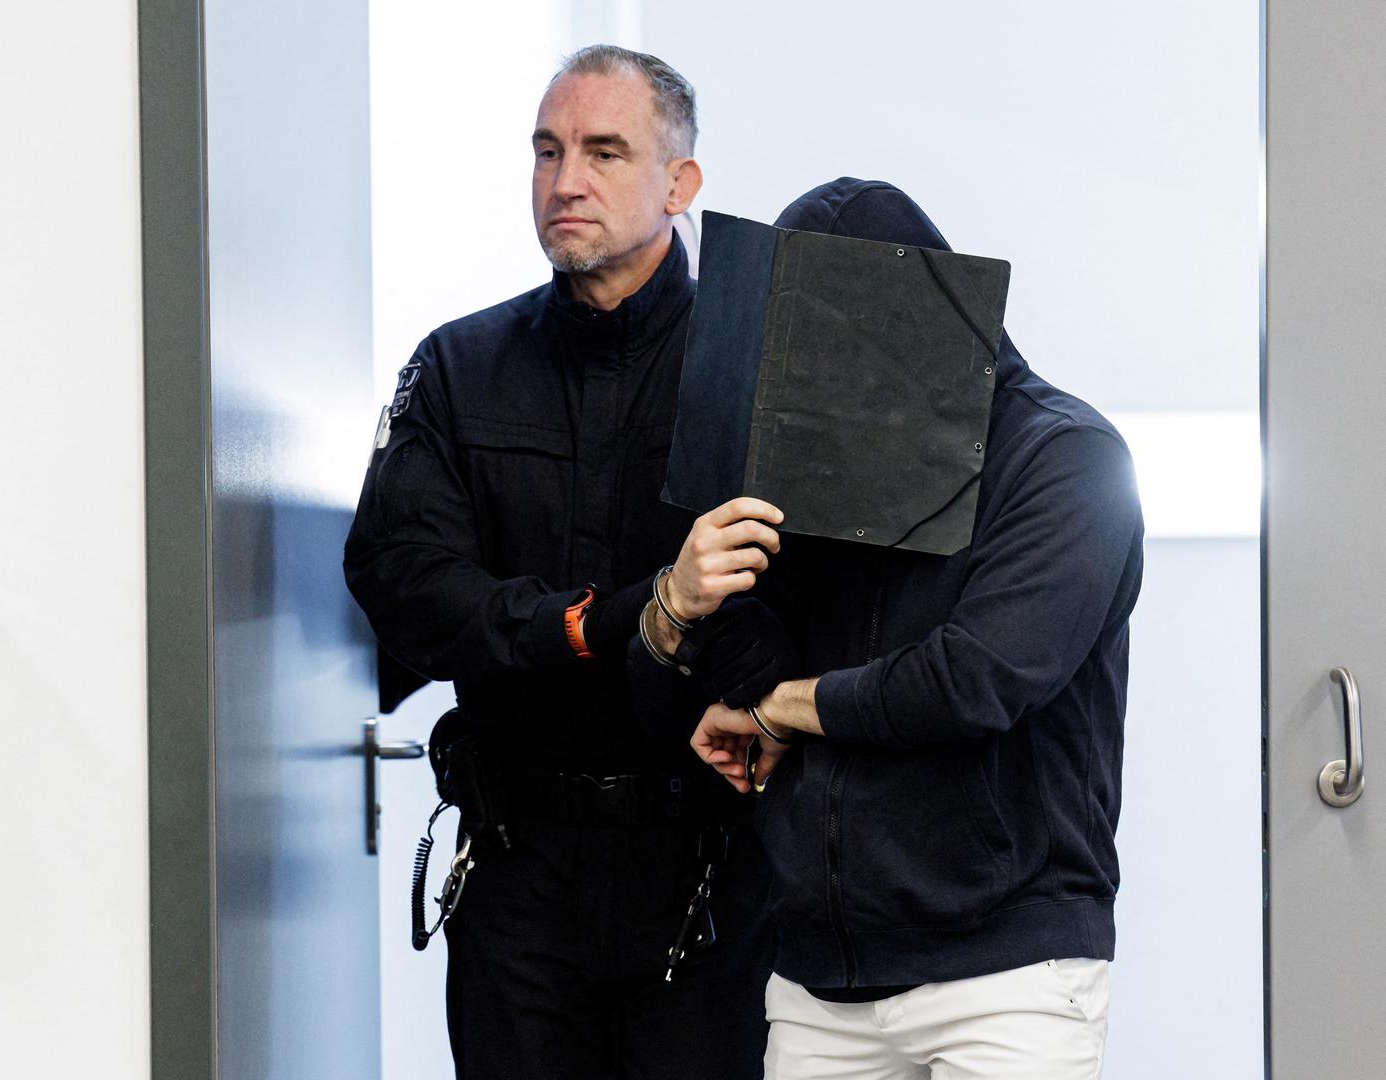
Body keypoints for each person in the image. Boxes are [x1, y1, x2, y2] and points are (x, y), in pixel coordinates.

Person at [638, 178, 1144, 1079]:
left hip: (1009, 976)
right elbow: (754, 640)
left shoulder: (1068, 460)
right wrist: (690, 610)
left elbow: (974, 678)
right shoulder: (813, 453)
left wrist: (783, 711)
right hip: (818, 979)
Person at [344, 45, 774, 1080]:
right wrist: (582, 624)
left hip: (705, 864)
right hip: (520, 868)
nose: (565, 179)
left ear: (681, 186)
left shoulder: (754, 363)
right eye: (547, 151)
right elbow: (401, 580)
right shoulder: (459, 366)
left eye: (603, 151)